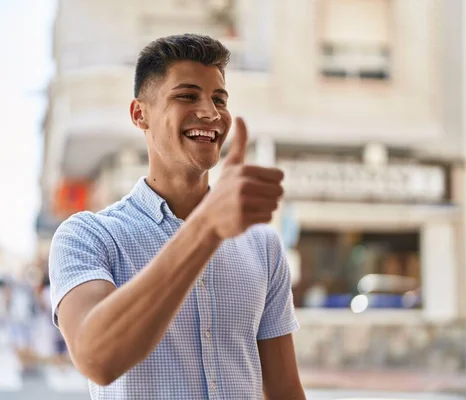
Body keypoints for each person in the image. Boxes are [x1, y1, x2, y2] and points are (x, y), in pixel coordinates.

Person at [49, 34, 305, 399]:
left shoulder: (263, 244)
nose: (211, 112)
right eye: (187, 96)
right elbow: (97, 358)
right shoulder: (88, 236)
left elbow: (283, 390)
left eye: (219, 99)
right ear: (141, 114)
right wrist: (205, 229)